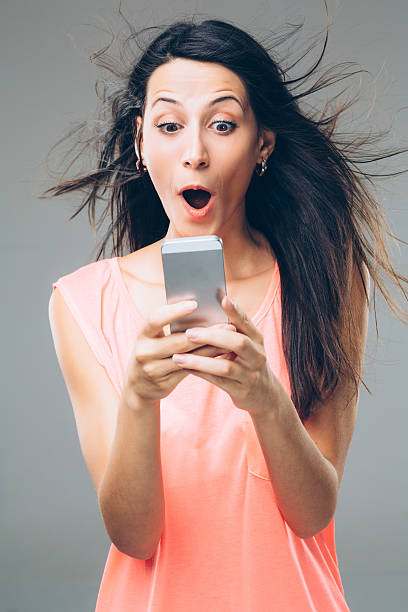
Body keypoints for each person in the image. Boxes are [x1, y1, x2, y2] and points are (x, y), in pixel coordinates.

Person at [44, 10, 408, 612]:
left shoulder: (327, 281)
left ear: (262, 142)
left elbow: (314, 513)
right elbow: (134, 537)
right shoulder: (83, 303)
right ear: (140, 142)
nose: (194, 153)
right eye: (168, 125)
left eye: (221, 124)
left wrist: (265, 396)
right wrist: (139, 399)